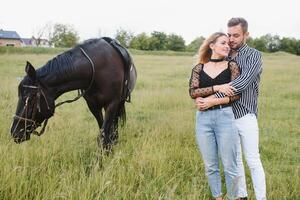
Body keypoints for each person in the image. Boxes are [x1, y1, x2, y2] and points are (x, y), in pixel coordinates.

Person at [198, 18, 266, 200]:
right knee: (235, 162)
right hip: (226, 115)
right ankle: (241, 196)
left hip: (245, 113)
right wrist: (206, 95)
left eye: (236, 35)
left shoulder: (253, 55)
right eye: (229, 35)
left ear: (246, 35)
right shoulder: (225, 56)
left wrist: (211, 99)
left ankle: (261, 198)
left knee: (252, 160)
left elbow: (241, 83)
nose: (231, 39)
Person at [189, 32, 241, 200]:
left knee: (229, 165)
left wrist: (210, 101)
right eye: (223, 43)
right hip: (203, 120)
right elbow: (193, 92)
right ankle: (217, 197)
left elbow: (236, 95)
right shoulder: (199, 68)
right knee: (210, 165)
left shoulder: (232, 66)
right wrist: (217, 87)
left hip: (225, 117)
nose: (227, 46)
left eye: (228, 43)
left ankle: (233, 197)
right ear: (212, 46)